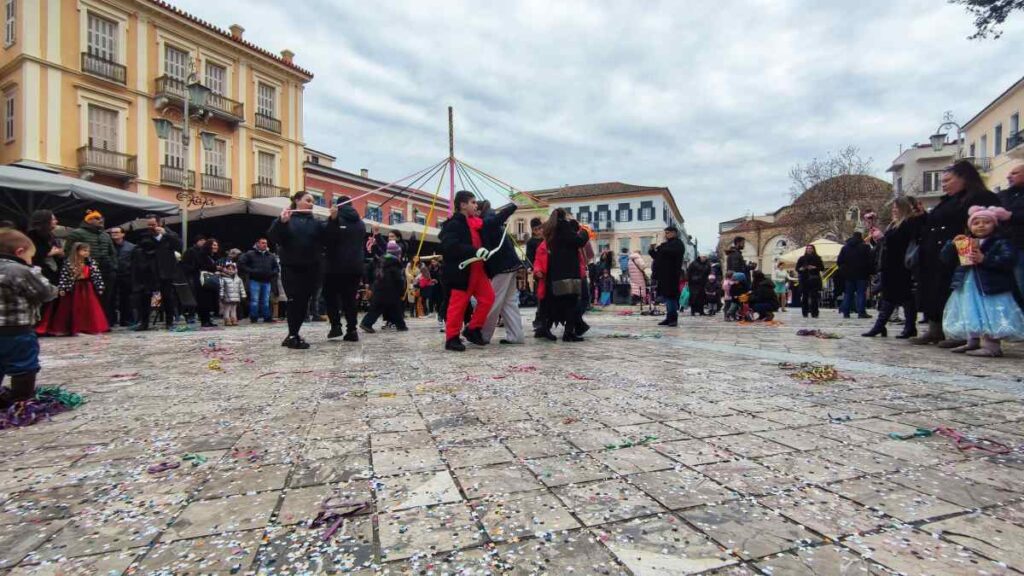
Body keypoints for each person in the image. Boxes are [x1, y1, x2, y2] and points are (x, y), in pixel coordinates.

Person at [912, 160, 1001, 347]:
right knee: (932, 291)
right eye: (942, 181)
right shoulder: (947, 201)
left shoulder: (979, 197)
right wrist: (923, 217)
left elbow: (980, 226)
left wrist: (969, 253)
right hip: (936, 253)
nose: (944, 184)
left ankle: (959, 333)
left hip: (959, 252)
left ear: (964, 178)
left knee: (955, 292)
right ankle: (935, 329)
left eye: (948, 180)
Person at [940, 206, 1024, 357]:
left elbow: (1008, 260)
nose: (980, 225)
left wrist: (985, 259)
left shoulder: (999, 242)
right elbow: (946, 259)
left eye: (986, 222)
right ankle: (972, 341)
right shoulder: (967, 242)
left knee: (988, 314)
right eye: (976, 223)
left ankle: (991, 345)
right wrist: (951, 245)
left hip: (990, 286)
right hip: (968, 284)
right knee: (970, 311)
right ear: (969, 226)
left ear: (994, 225)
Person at [0, 229, 58, 408]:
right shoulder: (19, 270)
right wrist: (35, 271)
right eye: (30, 256)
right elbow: (45, 293)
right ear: (19, 252)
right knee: (24, 365)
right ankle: (20, 401)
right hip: (16, 329)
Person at [268, 191, 326, 349]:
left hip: (312, 268)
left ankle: (293, 334)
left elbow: (329, 237)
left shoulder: (317, 223)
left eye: (313, 201)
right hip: (291, 267)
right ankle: (293, 334)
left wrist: (334, 220)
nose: (311, 203)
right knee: (294, 301)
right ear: (297, 201)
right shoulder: (286, 218)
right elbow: (274, 237)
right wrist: (282, 223)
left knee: (303, 302)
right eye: (308, 200)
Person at [438, 191, 495, 351]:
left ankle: (472, 329)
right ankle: (452, 338)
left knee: (488, 298)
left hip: (478, 269)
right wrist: (473, 251)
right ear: (463, 205)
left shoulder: (474, 222)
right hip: (461, 271)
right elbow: (449, 246)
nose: (476, 205)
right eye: (473, 202)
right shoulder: (453, 224)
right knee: (458, 305)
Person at [863, 196, 926, 338]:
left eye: (896, 208)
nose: (894, 210)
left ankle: (885, 326)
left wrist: (882, 238)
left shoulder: (908, 223)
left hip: (899, 266)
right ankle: (894, 326)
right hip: (890, 265)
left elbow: (899, 244)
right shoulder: (894, 224)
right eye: (893, 208)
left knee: (897, 297)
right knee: (896, 297)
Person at [536, 208, 589, 341]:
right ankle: (568, 333)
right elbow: (578, 241)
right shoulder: (563, 226)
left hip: (556, 273)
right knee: (571, 302)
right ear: (564, 216)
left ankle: (546, 328)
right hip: (569, 273)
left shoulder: (551, 230)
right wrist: (584, 232)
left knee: (559, 303)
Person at [36, 242, 109, 336]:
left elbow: (97, 275)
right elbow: (64, 276)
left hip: (87, 287)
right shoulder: (69, 263)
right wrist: (62, 288)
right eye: (84, 250)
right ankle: (75, 328)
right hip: (74, 288)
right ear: (77, 251)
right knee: (74, 308)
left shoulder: (91, 262)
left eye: (88, 251)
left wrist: (100, 286)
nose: (87, 253)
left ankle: (88, 327)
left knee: (88, 308)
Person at [479, 200, 524, 345]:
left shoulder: (487, 220)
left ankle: (483, 335)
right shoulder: (491, 219)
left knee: (493, 301)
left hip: (501, 266)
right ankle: (516, 336)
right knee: (508, 302)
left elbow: (499, 217)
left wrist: (512, 206)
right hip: (510, 264)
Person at [322, 196, 365, 341]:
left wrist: (332, 221)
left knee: (330, 296)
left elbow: (329, 239)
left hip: (335, 266)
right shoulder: (360, 223)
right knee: (350, 299)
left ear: (337, 206)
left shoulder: (335, 219)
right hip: (355, 266)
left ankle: (335, 326)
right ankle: (352, 330)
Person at [63, 210, 116, 322]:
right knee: (87, 298)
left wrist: (113, 266)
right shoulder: (76, 233)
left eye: (101, 218)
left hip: (106, 270)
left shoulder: (105, 235)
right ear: (89, 220)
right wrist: (77, 266)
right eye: (97, 218)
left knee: (106, 297)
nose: (100, 220)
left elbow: (112, 252)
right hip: (86, 271)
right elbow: (68, 251)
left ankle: (103, 321)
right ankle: (86, 322)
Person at [132, 215, 182, 331]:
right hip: (149, 271)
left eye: (153, 225)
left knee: (167, 296)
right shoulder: (145, 235)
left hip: (166, 271)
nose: (150, 227)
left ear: (159, 224)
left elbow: (179, 245)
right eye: (149, 225)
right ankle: (144, 322)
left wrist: (166, 234)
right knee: (145, 296)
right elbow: (141, 249)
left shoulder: (170, 234)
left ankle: (169, 322)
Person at [360, 242, 408, 332]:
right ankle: (366, 323)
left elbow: (372, 273)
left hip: (379, 287)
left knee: (381, 308)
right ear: (397, 254)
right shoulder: (395, 264)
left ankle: (401, 325)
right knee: (394, 308)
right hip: (391, 290)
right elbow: (399, 280)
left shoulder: (381, 261)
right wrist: (402, 291)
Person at [649, 225, 686, 326]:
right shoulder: (666, 244)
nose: (666, 235)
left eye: (668, 233)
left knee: (671, 297)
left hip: (672, 275)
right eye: (665, 233)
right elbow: (657, 257)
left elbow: (673, 252)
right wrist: (652, 250)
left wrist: (662, 248)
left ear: (674, 233)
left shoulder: (678, 243)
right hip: (663, 275)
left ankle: (673, 319)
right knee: (666, 297)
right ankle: (669, 318)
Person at [239, 238, 279, 324]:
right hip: (255, 280)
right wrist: (251, 271)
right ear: (257, 244)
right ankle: (254, 317)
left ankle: (267, 317)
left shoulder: (271, 256)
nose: (265, 244)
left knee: (265, 300)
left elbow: (276, 267)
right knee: (254, 300)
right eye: (263, 243)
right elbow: (241, 263)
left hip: (267, 281)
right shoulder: (250, 254)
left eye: (266, 243)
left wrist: (272, 273)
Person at [997, 163, 1024, 292]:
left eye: (1015, 173)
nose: (1008, 176)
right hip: (1003, 246)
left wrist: (1011, 216)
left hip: (1020, 247)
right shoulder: (1003, 195)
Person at [836, 231, 874, 319]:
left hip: (849, 275)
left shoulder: (845, 248)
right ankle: (861, 312)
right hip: (862, 274)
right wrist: (870, 272)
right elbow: (870, 261)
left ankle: (846, 312)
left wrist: (844, 271)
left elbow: (839, 262)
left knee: (848, 294)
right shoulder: (865, 247)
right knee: (861, 293)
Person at [26, 210, 62, 286]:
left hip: (54, 276)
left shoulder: (51, 236)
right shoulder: (31, 236)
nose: (56, 221)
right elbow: (31, 257)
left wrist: (60, 254)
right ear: (46, 221)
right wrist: (50, 253)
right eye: (53, 219)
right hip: (38, 278)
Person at [108, 227, 135, 327]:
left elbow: (134, 262)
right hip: (112, 274)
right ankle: (111, 320)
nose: (114, 234)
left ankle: (126, 320)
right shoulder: (108, 246)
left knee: (126, 299)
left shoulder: (131, 247)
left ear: (123, 234)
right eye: (112, 232)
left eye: (116, 232)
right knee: (111, 298)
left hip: (126, 275)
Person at [192, 238, 221, 328]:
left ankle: (208, 320)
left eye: (216, 245)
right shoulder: (202, 255)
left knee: (209, 301)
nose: (216, 247)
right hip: (202, 281)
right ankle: (205, 320)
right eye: (214, 245)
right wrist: (215, 268)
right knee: (204, 301)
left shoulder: (210, 256)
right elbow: (202, 266)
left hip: (208, 282)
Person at [796, 244, 824, 318]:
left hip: (814, 279)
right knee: (805, 297)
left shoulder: (817, 258)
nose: (809, 249)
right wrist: (801, 269)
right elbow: (797, 268)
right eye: (807, 248)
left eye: (810, 248)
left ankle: (814, 313)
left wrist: (814, 267)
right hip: (804, 279)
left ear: (813, 249)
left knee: (814, 297)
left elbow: (822, 268)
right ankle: (805, 312)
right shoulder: (801, 258)